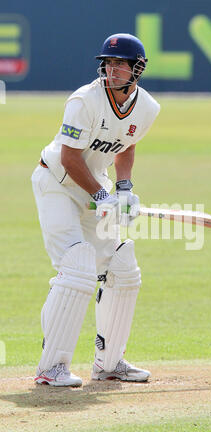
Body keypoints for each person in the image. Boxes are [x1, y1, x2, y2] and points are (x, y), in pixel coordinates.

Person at [31, 33, 160, 387]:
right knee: (77, 266)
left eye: (120, 64)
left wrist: (125, 189)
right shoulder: (84, 101)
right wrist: (104, 198)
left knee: (122, 266)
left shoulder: (148, 107)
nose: (112, 69)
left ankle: (109, 362)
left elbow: (126, 144)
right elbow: (71, 158)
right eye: (108, 62)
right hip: (56, 183)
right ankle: (51, 367)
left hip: (93, 184)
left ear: (138, 69)